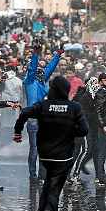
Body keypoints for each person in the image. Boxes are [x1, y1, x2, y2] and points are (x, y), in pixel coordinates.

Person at [13, 76, 88, 211]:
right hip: (64, 156)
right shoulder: (74, 107)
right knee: (55, 187)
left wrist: (18, 131)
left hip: (46, 155)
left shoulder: (43, 105)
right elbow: (83, 130)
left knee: (49, 181)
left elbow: (25, 112)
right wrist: (68, 132)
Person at [23, 43, 62, 182]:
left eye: (41, 70)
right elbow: (33, 69)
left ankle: (42, 176)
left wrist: (58, 54)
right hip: (33, 120)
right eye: (38, 70)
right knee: (34, 149)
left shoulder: (41, 81)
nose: (41, 72)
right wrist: (35, 54)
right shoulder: (29, 81)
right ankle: (33, 175)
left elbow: (50, 68)